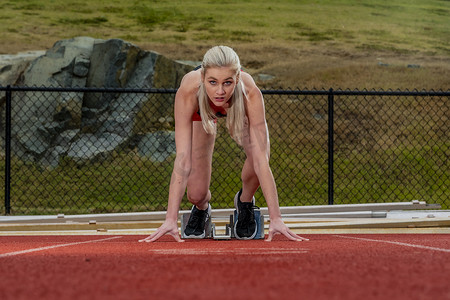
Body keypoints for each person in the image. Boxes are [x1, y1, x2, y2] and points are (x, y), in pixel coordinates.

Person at [139, 46, 308, 242]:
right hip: (201, 113)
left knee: (258, 156)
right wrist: (170, 218)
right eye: (213, 82)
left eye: (227, 83)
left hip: (237, 109)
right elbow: (183, 159)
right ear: (202, 78)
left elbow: (262, 161)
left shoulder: (250, 93)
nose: (220, 91)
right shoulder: (188, 91)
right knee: (195, 194)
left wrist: (276, 218)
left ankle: (244, 202)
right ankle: (202, 208)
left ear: (236, 79)